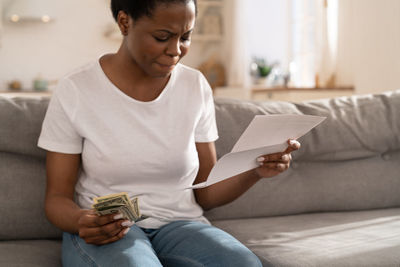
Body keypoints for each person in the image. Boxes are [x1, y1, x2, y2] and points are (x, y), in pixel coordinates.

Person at [38, 0, 300, 266]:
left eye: (185, 37)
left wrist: (255, 170)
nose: (176, 50)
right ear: (125, 22)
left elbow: (206, 193)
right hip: (110, 229)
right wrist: (82, 221)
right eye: (162, 37)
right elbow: (56, 199)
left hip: (180, 225)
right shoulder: (77, 89)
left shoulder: (194, 85)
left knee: (244, 263)